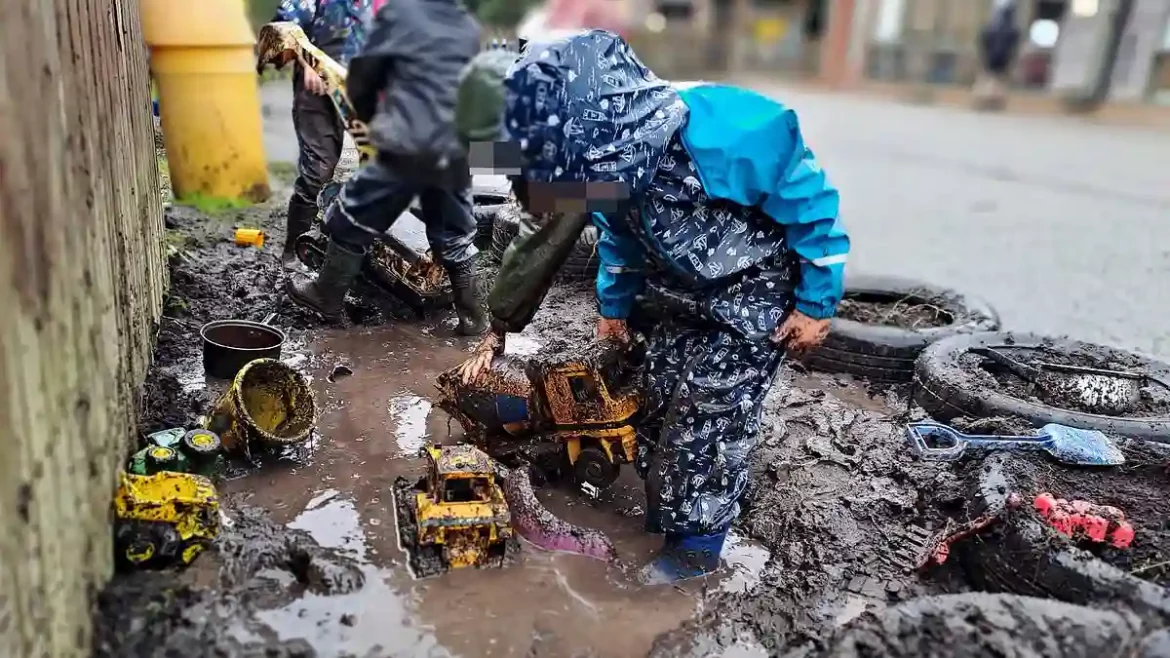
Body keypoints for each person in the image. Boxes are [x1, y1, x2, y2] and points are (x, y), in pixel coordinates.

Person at [455, 32, 849, 583]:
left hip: (753, 297)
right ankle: (669, 499)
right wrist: (613, 308)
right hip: (681, 294)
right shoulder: (607, 171)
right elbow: (619, 239)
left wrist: (816, 303)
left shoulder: (730, 131)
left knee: (706, 417)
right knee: (657, 395)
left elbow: (813, 208)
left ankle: (696, 547)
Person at [284, 0, 486, 334]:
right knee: (454, 230)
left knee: (351, 216)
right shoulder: (464, 23)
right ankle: (474, 320)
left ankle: (326, 296)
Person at [274, 0, 374, 269]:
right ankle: (292, 252)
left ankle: (345, 251)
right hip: (315, 93)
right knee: (319, 169)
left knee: (369, 171)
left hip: (358, 95)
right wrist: (307, 66)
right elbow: (284, 28)